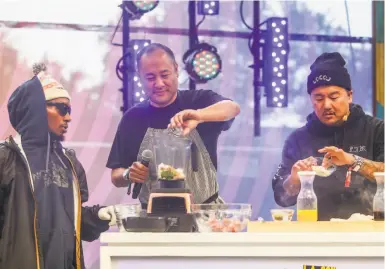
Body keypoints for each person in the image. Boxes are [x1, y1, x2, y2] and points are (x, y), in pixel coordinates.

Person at [0, 64, 117, 269]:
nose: (69, 117)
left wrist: (98, 215)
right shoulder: (6, 159)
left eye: (70, 110)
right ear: (34, 108)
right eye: (62, 108)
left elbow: (73, 223)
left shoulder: (69, 163)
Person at [107, 43, 240, 208]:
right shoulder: (132, 118)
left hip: (204, 212)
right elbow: (116, 176)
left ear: (176, 70)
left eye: (165, 74)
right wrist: (129, 174)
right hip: (153, 216)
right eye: (150, 78)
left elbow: (233, 108)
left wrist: (199, 116)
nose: (159, 83)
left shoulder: (200, 101)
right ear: (140, 78)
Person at [272, 52, 384, 221]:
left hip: (372, 232)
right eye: (319, 98)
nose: (326, 105)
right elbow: (282, 198)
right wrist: (295, 179)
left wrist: (352, 160)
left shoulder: (377, 130)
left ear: (349, 95)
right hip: (316, 235)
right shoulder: (298, 139)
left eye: (334, 97)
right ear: (311, 99)